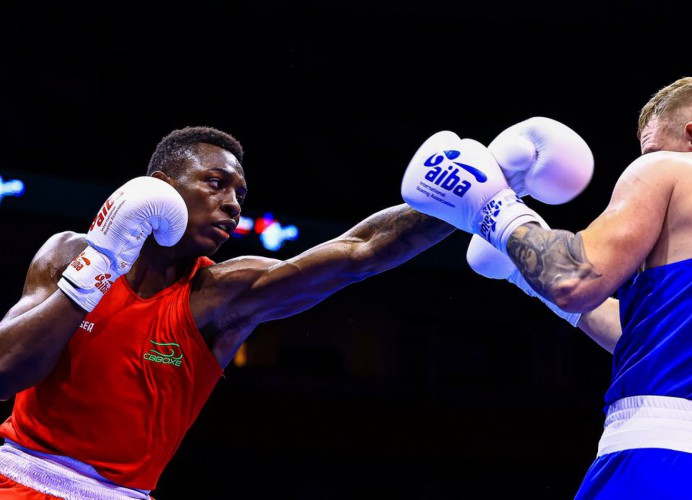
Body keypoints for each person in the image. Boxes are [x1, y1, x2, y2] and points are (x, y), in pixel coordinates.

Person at [0, 125, 461, 499]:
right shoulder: (69, 252)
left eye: (240, 194)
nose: (233, 205)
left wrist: (468, 197)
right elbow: (6, 372)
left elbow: (359, 252)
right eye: (216, 184)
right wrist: (97, 266)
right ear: (160, 189)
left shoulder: (221, 294)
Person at [402, 76, 692, 498]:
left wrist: (494, 210)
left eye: (651, 150)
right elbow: (659, 340)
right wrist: (525, 277)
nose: (647, 160)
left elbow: (573, 280)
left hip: (661, 455)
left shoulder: (675, 170)